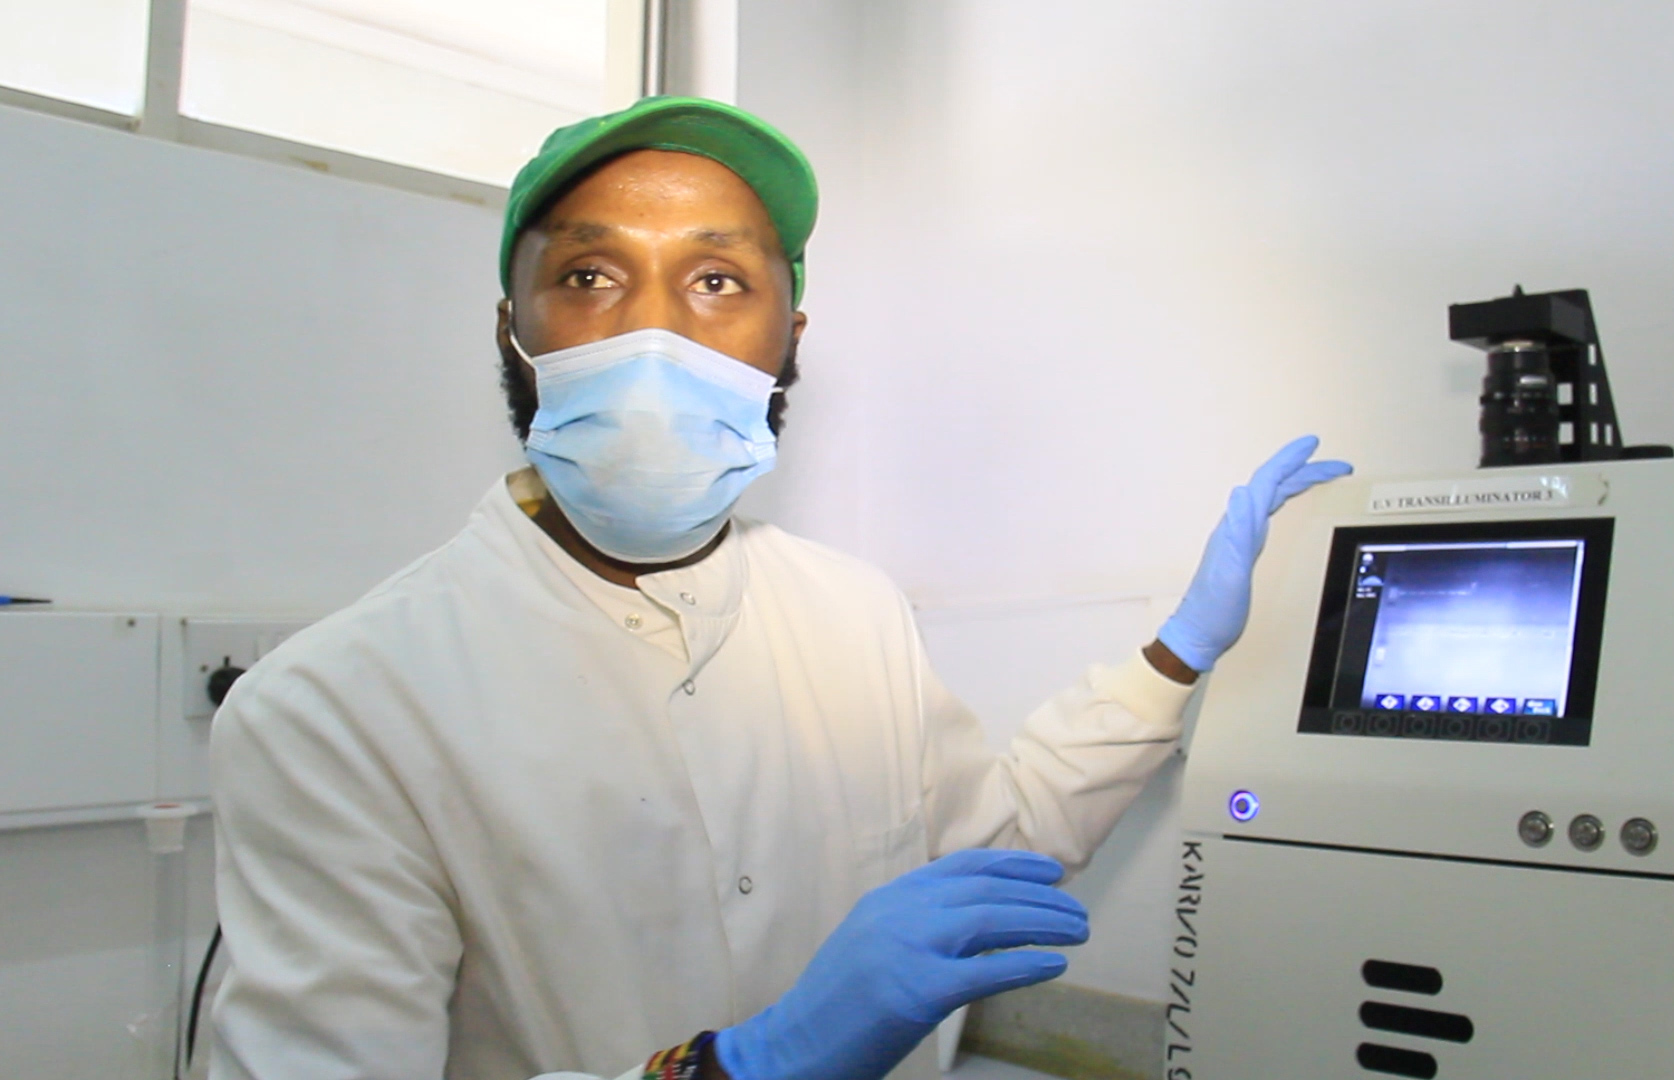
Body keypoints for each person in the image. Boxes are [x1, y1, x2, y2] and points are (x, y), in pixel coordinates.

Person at [208, 97, 1350, 1080]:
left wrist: (1177, 654)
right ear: (515, 331)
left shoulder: (852, 613)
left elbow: (991, 857)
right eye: (590, 276)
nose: (653, 333)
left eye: (717, 280)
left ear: (786, 340)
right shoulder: (335, 710)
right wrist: (742, 1067)